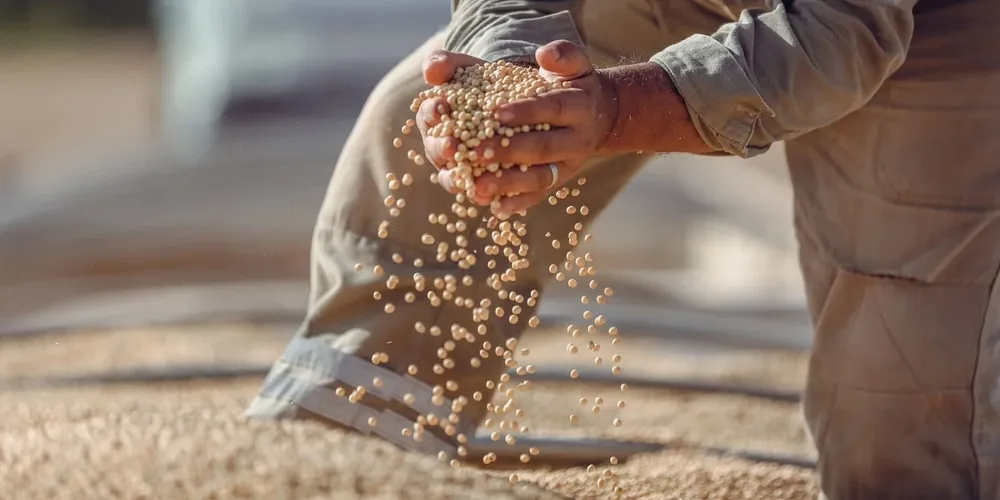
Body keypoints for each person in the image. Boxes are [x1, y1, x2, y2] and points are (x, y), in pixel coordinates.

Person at [245, 0, 1000, 497]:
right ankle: (336, 458)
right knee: (418, 143)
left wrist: (616, 109)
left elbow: (843, 31)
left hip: (924, 24)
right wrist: (509, 72)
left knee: (898, 396)